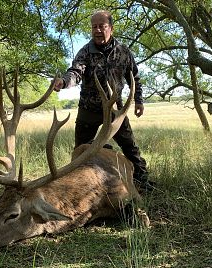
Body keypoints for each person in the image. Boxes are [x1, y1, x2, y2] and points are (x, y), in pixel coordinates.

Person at [53, 10, 152, 193]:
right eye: (94, 27)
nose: (97, 30)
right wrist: (64, 82)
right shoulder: (85, 52)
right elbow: (76, 72)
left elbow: (134, 78)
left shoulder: (123, 52)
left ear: (111, 28)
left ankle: (142, 180)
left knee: (130, 147)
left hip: (115, 111)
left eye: (102, 26)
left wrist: (139, 101)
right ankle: (76, 187)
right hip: (89, 109)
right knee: (80, 153)